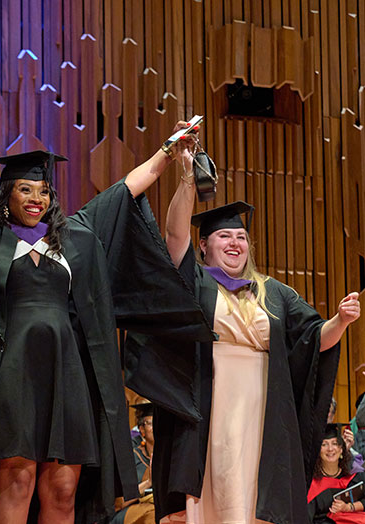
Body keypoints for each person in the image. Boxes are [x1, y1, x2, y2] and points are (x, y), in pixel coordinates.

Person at [0, 57, 214, 524]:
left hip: (68, 371)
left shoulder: (76, 235)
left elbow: (125, 189)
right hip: (12, 371)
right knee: (19, 479)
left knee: (63, 488)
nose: (35, 199)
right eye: (25, 190)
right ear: (7, 193)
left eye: (43, 191)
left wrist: (171, 147)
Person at [127, 153, 361, 522]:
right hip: (211, 400)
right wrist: (188, 177)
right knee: (218, 484)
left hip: (264, 406)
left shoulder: (274, 293)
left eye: (241, 237)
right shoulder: (195, 283)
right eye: (224, 236)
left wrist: (341, 321)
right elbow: (174, 234)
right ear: (203, 245)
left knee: (257, 490)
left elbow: (315, 341)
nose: (235, 243)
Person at [308, 424, 365, 523]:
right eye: (324, 444)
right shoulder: (312, 485)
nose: (330, 449)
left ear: (341, 449)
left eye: (334, 443)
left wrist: (349, 507)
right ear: (318, 451)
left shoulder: (354, 477)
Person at [111, 403, 156, 524]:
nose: (157, 427)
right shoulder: (131, 457)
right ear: (142, 430)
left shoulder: (173, 457)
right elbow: (118, 503)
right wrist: (148, 483)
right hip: (132, 509)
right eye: (151, 423)